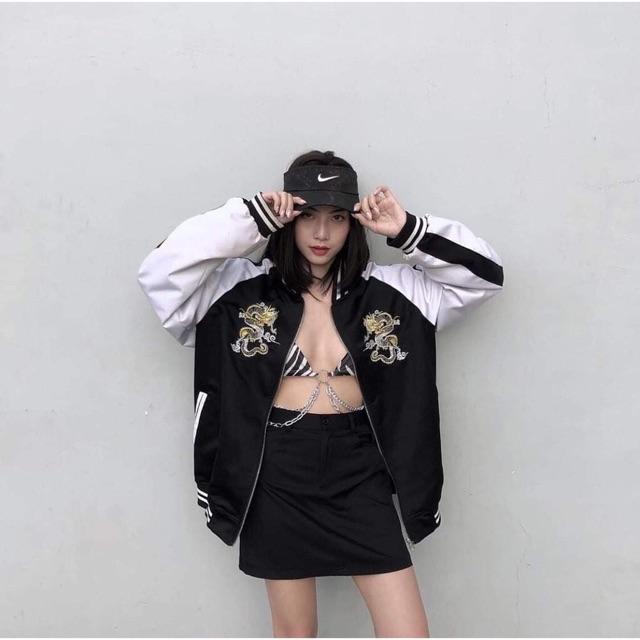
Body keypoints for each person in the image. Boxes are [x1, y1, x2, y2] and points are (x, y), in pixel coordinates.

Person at [137, 149, 504, 637]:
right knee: (296, 634)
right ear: (288, 218)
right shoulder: (235, 291)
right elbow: (159, 273)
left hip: (361, 469)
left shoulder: (396, 291)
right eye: (308, 215)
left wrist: (406, 228)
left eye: (337, 218)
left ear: (354, 224)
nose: (322, 233)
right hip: (275, 469)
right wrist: (251, 218)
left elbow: (485, 276)